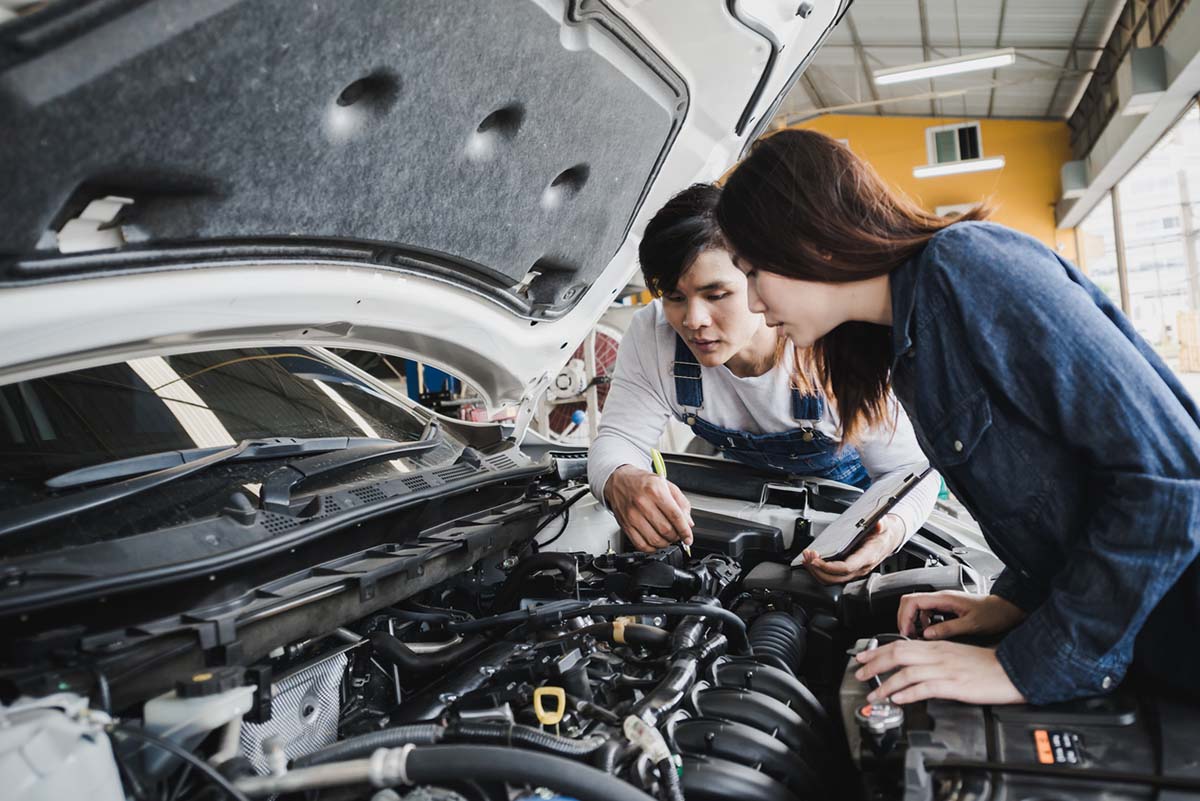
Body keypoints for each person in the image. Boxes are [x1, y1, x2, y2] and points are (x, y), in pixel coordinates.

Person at [714, 128, 1200, 706]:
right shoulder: (907, 351)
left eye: (751, 271)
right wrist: (1014, 602)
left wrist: (1026, 666)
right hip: (1139, 644)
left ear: (806, 239)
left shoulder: (967, 268)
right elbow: (1062, 493)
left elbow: (1168, 479)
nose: (751, 301)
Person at [588, 182, 937, 583]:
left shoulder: (829, 341)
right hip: (749, 494)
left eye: (716, 294)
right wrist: (621, 476)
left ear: (760, 278)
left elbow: (908, 469)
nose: (692, 320)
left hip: (856, 504)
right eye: (674, 297)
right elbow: (617, 440)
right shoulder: (653, 335)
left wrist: (890, 529)